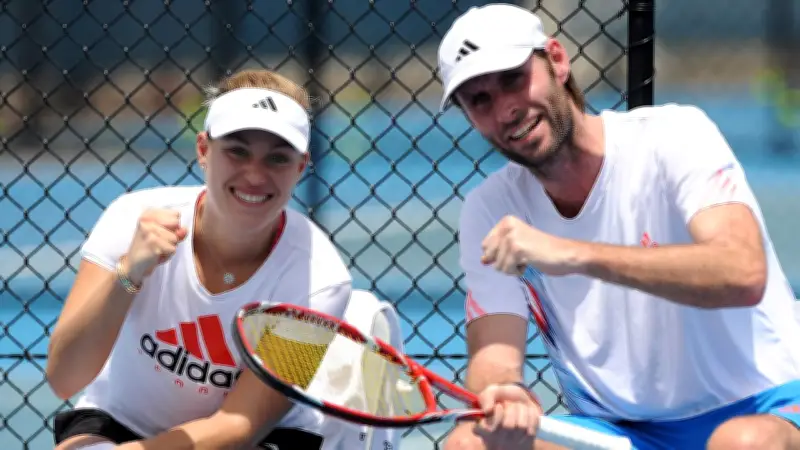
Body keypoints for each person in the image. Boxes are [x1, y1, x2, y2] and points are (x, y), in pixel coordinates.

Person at [437, 4, 800, 450]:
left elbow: (742, 274)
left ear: (556, 59)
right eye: (480, 100)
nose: (506, 108)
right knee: (470, 445)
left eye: (513, 79)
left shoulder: (674, 134)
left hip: (766, 401)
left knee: (743, 443)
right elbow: (495, 354)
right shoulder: (489, 208)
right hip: (621, 433)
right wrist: (502, 390)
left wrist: (573, 254)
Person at [46, 69, 356, 449]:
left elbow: (240, 424)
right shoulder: (131, 217)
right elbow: (64, 377)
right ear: (203, 150)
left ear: (301, 167)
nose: (255, 176)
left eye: (277, 158)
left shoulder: (320, 280)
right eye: (237, 151)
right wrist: (128, 274)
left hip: (257, 437)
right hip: (121, 419)